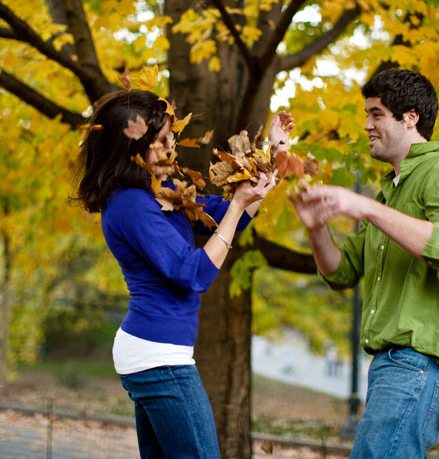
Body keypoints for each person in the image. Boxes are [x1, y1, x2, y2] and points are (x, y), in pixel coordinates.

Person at [74, 89, 292, 458]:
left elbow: (225, 219)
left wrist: (270, 154)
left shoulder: (160, 189)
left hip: (158, 352)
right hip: (158, 356)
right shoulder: (130, 204)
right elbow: (193, 274)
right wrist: (239, 205)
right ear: (132, 147)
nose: (171, 148)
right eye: (160, 141)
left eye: (171, 137)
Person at [290, 68, 439, 458]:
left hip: (421, 365)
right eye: (367, 114)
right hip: (393, 367)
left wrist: (361, 206)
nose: (367, 125)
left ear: (410, 117)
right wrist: (316, 228)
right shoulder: (388, 196)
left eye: (376, 114)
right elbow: (340, 272)